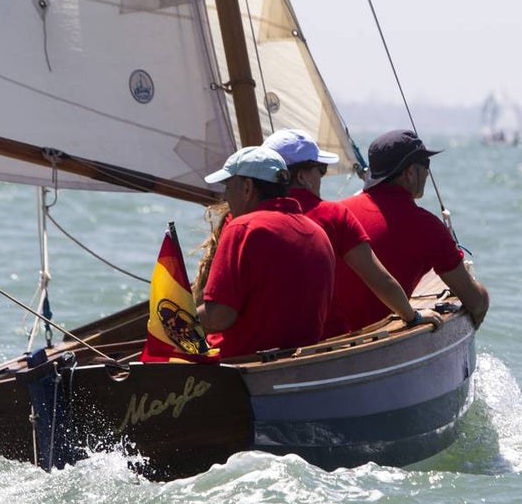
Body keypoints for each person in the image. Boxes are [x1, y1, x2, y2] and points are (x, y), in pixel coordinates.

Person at [261, 129, 439, 336]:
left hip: (259, 342)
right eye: (321, 169)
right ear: (301, 176)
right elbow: (381, 280)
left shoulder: (240, 221)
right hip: (325, 338)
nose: (321, 177)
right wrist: (413, 316)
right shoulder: (331, 215)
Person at [339, 130, 490, 330]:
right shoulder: (427, 227)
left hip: (317, 341)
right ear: (410, 173)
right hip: (373, 342)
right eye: (425, 165)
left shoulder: (338, 211)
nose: (428, 172)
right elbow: (476, 302)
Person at [197, 145, 336, 357]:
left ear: (247, 187)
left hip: (240, 368)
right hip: (301, 363)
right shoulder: (317, 232)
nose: (225, 196)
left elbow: (219, 317)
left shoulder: (242, 228)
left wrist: (173, 323)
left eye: (228, 186)